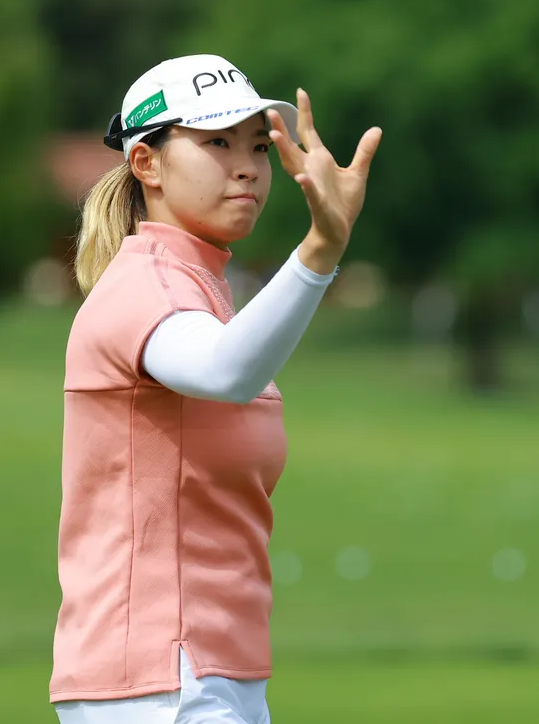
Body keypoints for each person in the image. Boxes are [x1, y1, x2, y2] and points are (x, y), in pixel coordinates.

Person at [49, 53, 381, 723]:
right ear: (147, 164)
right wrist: (320, 251)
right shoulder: (143, 285)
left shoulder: (202, 292)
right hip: (158, 677)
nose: (248, 167)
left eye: (257, 146)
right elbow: (227, 371)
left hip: (209, 670)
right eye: (218, 143)